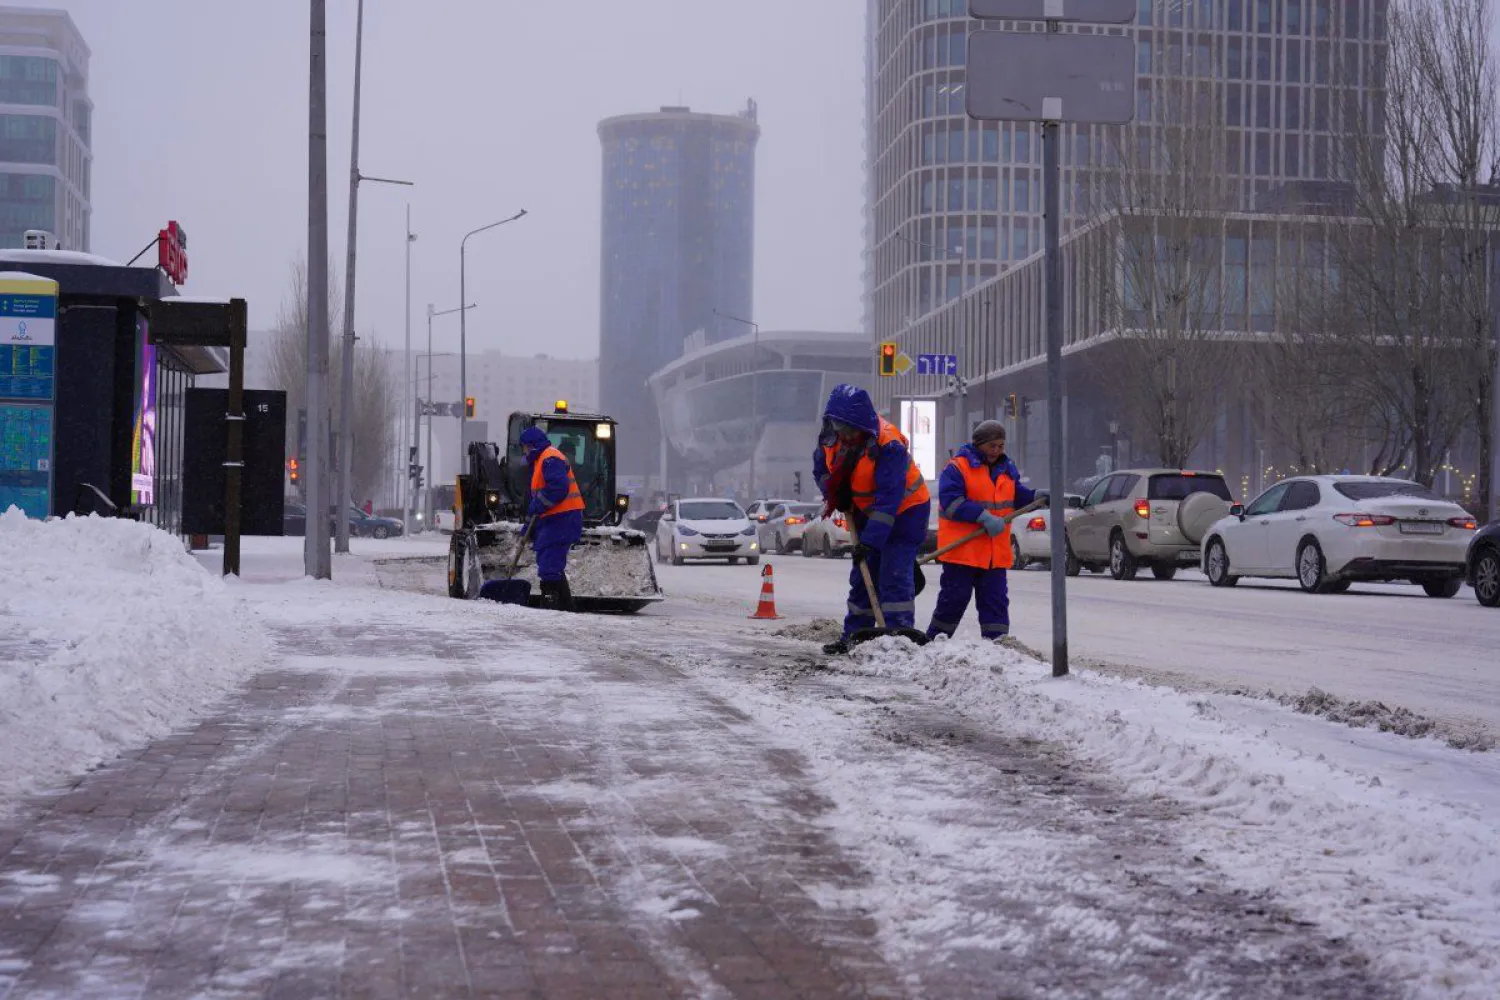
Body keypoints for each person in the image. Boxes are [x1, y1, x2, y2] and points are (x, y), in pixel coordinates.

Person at [814, 384, 931, 655]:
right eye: (839, 428)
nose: (844, 435)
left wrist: (871, 543)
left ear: (862, 424)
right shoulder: (829, 437)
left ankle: (899, 638)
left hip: (905, 512)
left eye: (849, 429)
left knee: (893, 576)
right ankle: (855, 635)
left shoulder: (889, 445)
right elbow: (821, 470)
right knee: (862, 576)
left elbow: (889, 499)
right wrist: (834, 493)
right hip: (865, 511)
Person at [925, 420, 1035, 643]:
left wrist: (1036, 496)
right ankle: (933, 644)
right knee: (953, 601)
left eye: (1001, 446)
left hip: (994, 555)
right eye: (992, 446)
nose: (996, 451)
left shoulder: (1007, 468)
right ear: (979, 444)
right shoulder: (957, 468)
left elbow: (1016, 494)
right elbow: (951, 502)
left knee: (995, 603)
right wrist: (982, 516)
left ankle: (997, 647)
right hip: (962, 552)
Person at [519, 425, 584, 611]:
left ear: (531, 446)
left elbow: (557, 489)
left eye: (524, 447)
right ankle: (566, 606)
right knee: (550, 561)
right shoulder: (542, 460)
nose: (523, 452)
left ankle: (549, 604)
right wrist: (529, 525)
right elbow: (540, 499)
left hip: (562, 518)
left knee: (549, 563)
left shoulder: (550, 458)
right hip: (554, 518)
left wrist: (537, 505)